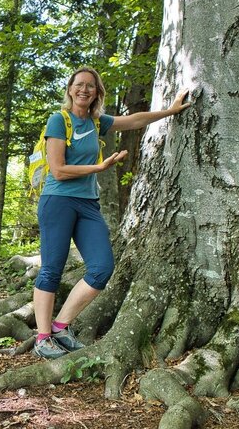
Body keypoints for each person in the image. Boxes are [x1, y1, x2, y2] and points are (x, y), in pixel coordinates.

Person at [32, 66, 191, 359]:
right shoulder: (59, 120)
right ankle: (42, 339)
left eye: (90, 86)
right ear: (70, 90)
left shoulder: (95, 123)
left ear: (97, 93)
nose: (84, 90)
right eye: (79, 85)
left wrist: (170, 111)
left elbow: (133, 120)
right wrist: (99, 167)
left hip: (87, 204)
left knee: (102, 267)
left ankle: (59, 327)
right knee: (52, 269)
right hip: (58, 201)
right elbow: (58, 170)